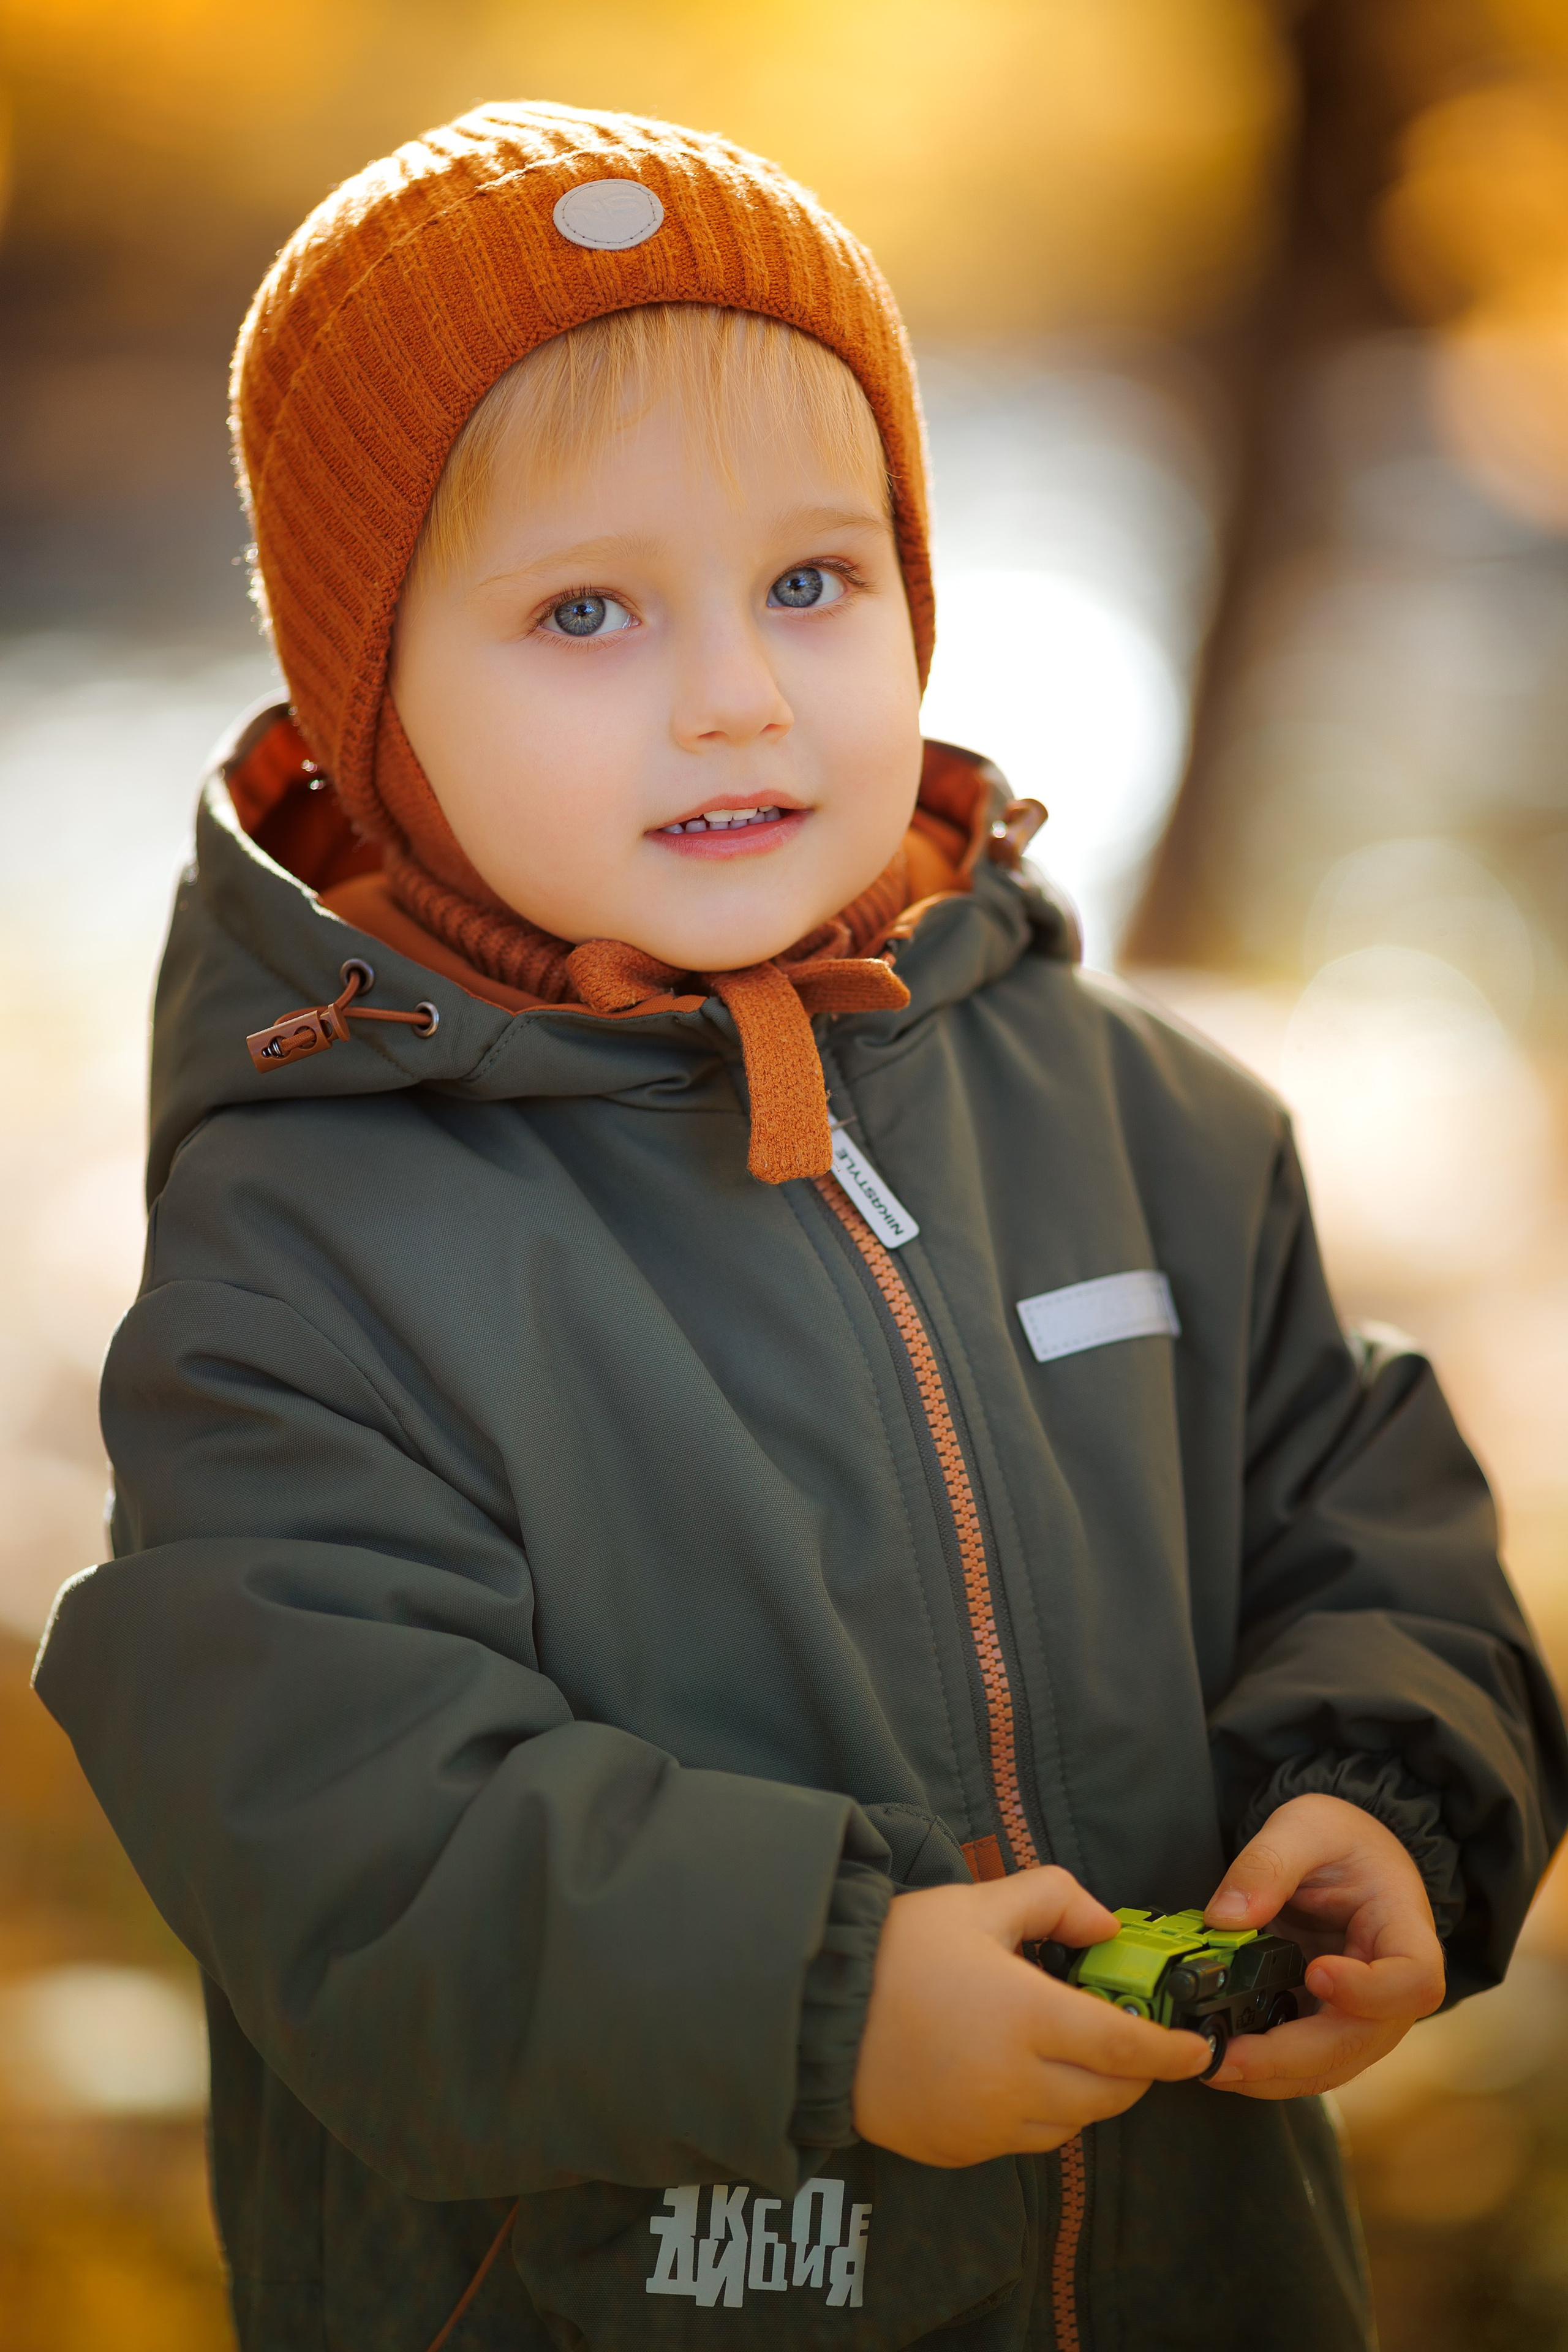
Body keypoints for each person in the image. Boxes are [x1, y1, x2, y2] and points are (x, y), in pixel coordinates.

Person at [34, 101, 1566, 2352]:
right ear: (376, 712)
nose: (738, 690)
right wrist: (822, 1995)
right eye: (583, 609)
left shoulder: (1150, 1119)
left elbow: (1361, 1518)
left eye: (813, 581)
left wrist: (1387, 1790)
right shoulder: (313, 1251)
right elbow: (345, 1829)